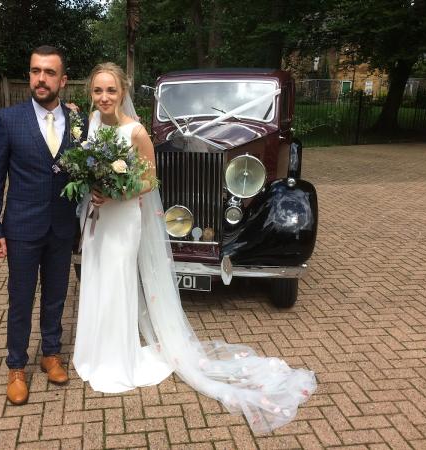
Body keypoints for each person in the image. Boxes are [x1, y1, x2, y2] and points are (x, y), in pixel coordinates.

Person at [73, 62, 317, 434]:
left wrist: (114, 190)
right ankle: (93, 353)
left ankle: (117, 359)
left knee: (120, 282)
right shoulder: (92, 121)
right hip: (99, 219)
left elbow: (150, 180)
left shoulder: (136, 131)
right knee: (96, 277)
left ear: (123, 93)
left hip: (123, 219)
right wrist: (94, 187)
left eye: (111, 90)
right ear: (91, 93)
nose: (104, 97)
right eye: (97, 91)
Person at [0, 45, 86, 405]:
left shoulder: (78, 122)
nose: (41, 79)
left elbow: (84, 171)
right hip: (22, 227)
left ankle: (51, 354)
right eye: (35, 71)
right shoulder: (8, 119)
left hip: (61, 227)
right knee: (21, 299)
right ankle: (15, 366)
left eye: (49, 72)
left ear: (63, 80)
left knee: (57, 295)